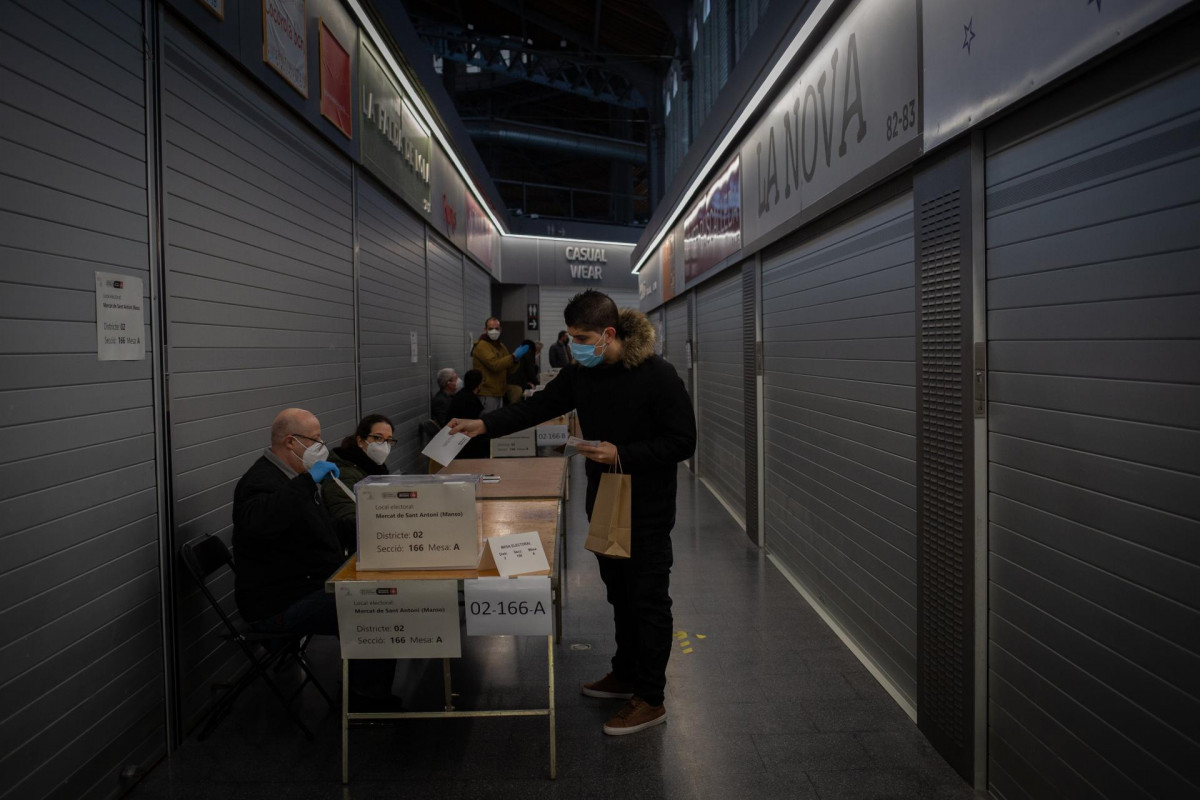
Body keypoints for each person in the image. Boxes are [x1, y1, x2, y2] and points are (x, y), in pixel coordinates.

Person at [449, 290, 695, 735]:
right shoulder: (582, 372)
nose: (574, 346)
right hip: (603, 501)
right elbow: (538, 406)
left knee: (648, 599)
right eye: (571, 337)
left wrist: (623, 451)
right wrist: (484, 424)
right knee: (618, 593)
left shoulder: (658, 375)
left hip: (647, 507)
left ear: (608, 333)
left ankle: (651, 698)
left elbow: (683, 441)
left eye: (581, 337)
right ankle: (625, 673)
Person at [232, 407, 399, 710]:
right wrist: (308, 482)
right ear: (290, 443)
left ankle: (368, 689)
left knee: (371, 589)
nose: (322, 448)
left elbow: (322, 529)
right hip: (275, 603)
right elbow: (260, 521)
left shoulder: (293, 478)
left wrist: (366, 526)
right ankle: (364, 700)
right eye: (315, 440)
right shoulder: (261, 481)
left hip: (305, 585)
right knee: (370, 604)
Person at [322, 413, 394, 543]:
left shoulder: (373, 468)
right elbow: (347, 521)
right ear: (360, 441)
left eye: (389, 440)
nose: (384, 445)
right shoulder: (343, 474)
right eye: (378, 438)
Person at [471, 317, 529, 413]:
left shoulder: (500, 346)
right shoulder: (482, 345)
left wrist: (516, 361)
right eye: (490, 328)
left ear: (500, 330)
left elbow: (510, 370)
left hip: (499, 392)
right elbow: (495, 366)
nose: (494, 331)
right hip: (487, 392)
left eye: (496, 328)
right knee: (488, 422)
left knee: (496, 423)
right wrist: (513, 357)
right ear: (485, 330)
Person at [446, 370, 491, 459]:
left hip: (453, 443)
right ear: (479, 385)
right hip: (465, 446)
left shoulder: (459, 395)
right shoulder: (472, 401)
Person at [505, 338, 540, 405]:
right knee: (515, 408)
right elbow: (530, 371)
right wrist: (537, 384)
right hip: (516, 386)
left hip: (509, 383)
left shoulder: (519, 353)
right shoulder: (528, 353)